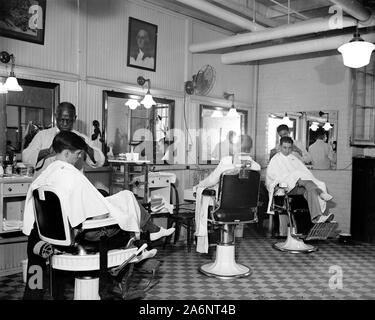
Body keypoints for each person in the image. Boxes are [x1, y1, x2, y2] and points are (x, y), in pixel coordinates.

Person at [22, 131, 175, 299]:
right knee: (126, 206)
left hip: (47, 236)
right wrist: (111, 212)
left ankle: (144, 241)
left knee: (122, 202)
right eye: (78, 154)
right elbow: (99, 216)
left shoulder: (43, 177)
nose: (79, 158)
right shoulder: (72, 176)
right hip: (82, 236)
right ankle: (139, 245)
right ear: (66, 153)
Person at [194, 135, 261, 253]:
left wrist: (199, 185)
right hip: (247, 211)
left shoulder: (226, 161)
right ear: (250, 148)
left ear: (236, 146)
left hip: (222, 209)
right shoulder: (256, 167)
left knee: (206, 197)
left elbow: (211, 180)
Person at [22, 102, 105, 179]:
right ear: (56, 116)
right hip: (45, 188)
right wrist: (47, 152)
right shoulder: (42, 135)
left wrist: (86, 147)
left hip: (70, 189)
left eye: (68, 120)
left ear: (74, 118)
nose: (65, 124)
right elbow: (26, 158)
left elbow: (100, 161)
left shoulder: (81, 138)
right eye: (61, 119)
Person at [266, 136, 334, 224]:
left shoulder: (294, 158)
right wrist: (292, 178)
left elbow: (305, 173)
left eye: (289, 148)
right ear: (280, 147)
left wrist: (296, 177)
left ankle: (317, 217)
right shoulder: (275, 160)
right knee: (299, 177)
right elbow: (274, 178)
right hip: (286, 189)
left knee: (311, 189)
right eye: (284, 147)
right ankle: (321, 192)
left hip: (299, 187)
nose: (287, 150)